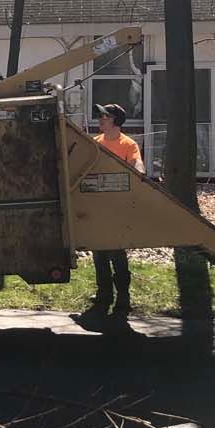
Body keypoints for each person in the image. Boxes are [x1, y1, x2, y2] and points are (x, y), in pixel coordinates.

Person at [84, 103, 145, 325]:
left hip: (117, 208)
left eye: (104, 116)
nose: (100, 119)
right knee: (99, 254)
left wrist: (139, 173)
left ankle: (123, 298)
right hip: (97, 207)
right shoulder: (95, 144)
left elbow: (138, 163)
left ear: (115, 121)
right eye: (100, 116)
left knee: (117, 254)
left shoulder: (128, 144)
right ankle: (103, 296)